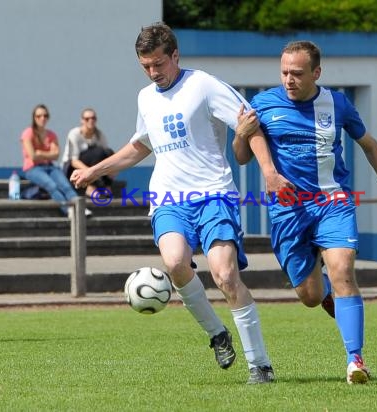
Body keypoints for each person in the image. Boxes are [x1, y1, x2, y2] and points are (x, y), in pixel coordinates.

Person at [70, 22, 293, 384]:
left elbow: (248, 124)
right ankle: (217, 334)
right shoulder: (146, 98)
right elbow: (141, 145)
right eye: (146, 66)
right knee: (174, 263)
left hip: (214, 194)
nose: (154, 73)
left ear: (175, 55)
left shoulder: (203, 85)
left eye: (159, 63)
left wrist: (268, 171)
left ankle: (260, 364)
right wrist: (94, 170)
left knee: (224, 274)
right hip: (169, 197)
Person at [233, 40, 377, 384]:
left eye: (297, 73)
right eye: (284, 72)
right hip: (287, 212)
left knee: (343, 271)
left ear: (316, 73)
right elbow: (240, 156)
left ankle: (355, 360)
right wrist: (240, 135)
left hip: (332, 203)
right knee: (310, 296)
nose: (289, 79)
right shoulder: (263, 104)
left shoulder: (337, 103)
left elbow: (369, 144)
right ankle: (328, 296)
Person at [20, 104, 91, 217]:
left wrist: (40, 153)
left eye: (45, 115)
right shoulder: (28, 133)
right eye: (39, 116)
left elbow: (56, 155)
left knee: (66, 186)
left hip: (50, 166)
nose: (42, 118)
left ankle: (80, 208)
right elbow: (33, 156)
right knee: (51, 185)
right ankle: (68, 210)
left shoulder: (51, 134)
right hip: (33, 168)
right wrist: (47, 154)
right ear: (34, 118)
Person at [61, 108, 115, 197]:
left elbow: (107, 154)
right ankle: (90, 187)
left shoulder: (99, 135)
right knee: (97, 152)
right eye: (87, 119)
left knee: (108, 153)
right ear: (82, 120)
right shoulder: (75, 134)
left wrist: (112, 170)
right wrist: (91, 172)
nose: (91, 121)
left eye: (93, 118)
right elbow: (74, 161)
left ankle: (106, 185)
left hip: (91, 167)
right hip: (71, 168)